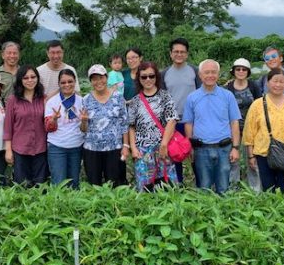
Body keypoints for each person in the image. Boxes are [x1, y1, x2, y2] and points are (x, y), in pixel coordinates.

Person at [243, 68, 284, 193]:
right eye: (274, 81)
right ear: (267, 83)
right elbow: (249, 131)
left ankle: (283, 212)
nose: (278, 85)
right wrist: (251, 155)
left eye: (281, 82)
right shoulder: (257, 104)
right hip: (263, 153)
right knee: (268, 189)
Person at [182, 59, 241, 194]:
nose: (210, 75)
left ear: (218, 74)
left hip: (224, 149)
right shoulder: (192, 97)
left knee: (224, 187)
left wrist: (236, 148)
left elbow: (234, 122)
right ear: (200, 75)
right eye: (206, 72)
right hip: (201, 149)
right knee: (204, 187)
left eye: (213, 72)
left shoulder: (227, 96)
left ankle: (224, 213)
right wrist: (190, 147)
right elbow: (189, 123)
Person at [129, 62, 179, 191]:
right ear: (139, 79)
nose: (148, 80)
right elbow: (131, 126)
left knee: (168, 187)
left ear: (156, 77)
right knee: (145, 187)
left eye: (151, 76)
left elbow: (172, 121)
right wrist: (133, 148)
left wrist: (164, 144)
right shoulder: (135, 101)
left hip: (164, 149)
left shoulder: (165, 96)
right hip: (143, 151)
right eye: (144, 77)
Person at [160, 37, 201, 184]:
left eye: (182, 52)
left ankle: (201, 186)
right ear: (170, 54)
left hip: (193, 121)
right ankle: (178, 186)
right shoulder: (164, 74)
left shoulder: (195, 71)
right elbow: (162, 99)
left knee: (196, 155)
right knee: (174, 155)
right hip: (172, 122)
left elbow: (201, 94)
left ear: (187, 54)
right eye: (176, 51)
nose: (179, 54)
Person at [81, 64, 130, 186]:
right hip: (92, 149)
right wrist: (84, 121)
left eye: (101, 77)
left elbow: (124, 123)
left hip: (114, 148)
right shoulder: (86, 99)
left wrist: (125, 145)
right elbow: (83, 130)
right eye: (94, 79)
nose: (98, 82)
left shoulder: (118, 97)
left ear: (106, 77)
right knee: (94, 184)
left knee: (115, 184)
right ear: (91, 81)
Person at [4, 65, 48, 187]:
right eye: (26, 78)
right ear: (20, 80)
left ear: (38, 78)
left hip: (41, 148)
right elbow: (8, 126)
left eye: (33, 77)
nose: (30, 80)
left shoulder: (43, 99)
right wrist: (8, 150)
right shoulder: (13, 100)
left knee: (40, 185)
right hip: (20, 149)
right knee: (22, 186)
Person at [225, 58, 262, 191]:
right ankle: (233, 188)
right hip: (233, 129)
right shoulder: (228, 87)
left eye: (244, 69)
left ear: (248, 72)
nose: (241, 71)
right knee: (233, 159)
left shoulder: (254, 86)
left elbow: (260, 106)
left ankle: (255, 189)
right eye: (238, 69)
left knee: (252, 160)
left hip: (252, 128)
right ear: (233, 71)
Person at [45, 69, 84, 189]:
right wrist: (54, 119)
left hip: (77, 146)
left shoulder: (82, 101)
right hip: (57, 147)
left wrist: (85, 120)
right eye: (63, 82)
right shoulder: (52, 102)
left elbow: (85, 128)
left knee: (74, 183)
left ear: (75, 82)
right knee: (59, 183)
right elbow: (47, 128)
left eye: (70, 81)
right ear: (59, 84)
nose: (67, 85)